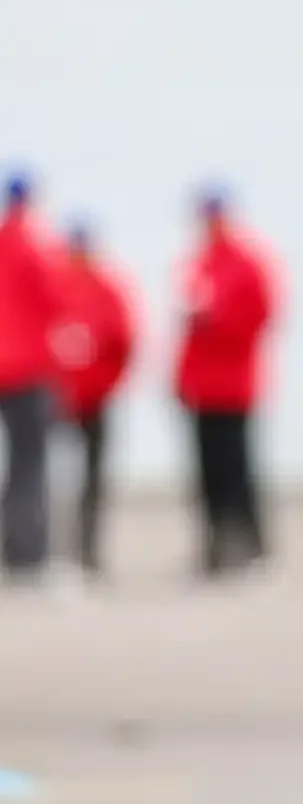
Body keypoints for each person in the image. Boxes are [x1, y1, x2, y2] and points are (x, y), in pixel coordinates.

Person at [173, 191, 279, 576]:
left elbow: (263, 315)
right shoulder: (197, 264)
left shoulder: (246, 263)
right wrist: (180, 380)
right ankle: (215, 553)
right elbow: (187, 330)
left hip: (234, 386)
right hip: (202, 389)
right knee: (207, 476)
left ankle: (253, 551)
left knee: (238, 471)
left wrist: (217, 321)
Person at [50, 224, 138, 576]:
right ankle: (50, 551)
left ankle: (88, 552)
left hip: (95, 399)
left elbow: (124, 342)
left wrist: (108, 383)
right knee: (48, 477)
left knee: (93, 481)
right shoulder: (53, 287)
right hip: (57, 401)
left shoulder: (108, 289)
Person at [0, 173, 61, 581]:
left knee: (18, 465)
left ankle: (13, 554)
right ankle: (27, 559)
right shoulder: (35, 243)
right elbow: (57, 299)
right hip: (26, 372)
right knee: (29, 466)